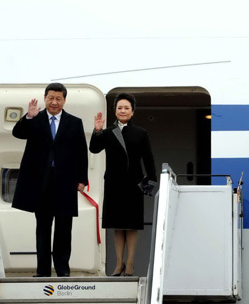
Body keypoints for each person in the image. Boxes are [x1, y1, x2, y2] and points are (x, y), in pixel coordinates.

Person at [11, 82, 88, 277]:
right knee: (43, 228)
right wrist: (28, 116)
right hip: (41, 182)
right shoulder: (35, 119)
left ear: (64, 100)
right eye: (51, 98)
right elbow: (18, 133)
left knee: (64, 228)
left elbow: (81, 152)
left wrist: (82, 179)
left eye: (58, 99)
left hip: (65, 182)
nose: (54, 102)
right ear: (45, 98)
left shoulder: (74, 122)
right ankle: (43, 271)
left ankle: (63, 270)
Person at [89, 93, 157, 276]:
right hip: (114, 183)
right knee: (117, 225)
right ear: (115, 111)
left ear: (132, 112)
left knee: (132, 225)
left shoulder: (141, 133)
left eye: (127, 108)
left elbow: (148, 159)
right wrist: (97, 131)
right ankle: (119, 263)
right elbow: (94, 148)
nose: (123, 111)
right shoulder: (107, 132)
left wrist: (152, 180)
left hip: (134, 184)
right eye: (119, 108)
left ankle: (130, 263)